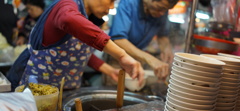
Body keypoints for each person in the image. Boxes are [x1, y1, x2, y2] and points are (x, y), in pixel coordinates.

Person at [7, 0, 144, 91]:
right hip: (36, 90)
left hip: (65, 91)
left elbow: (75, 53)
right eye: (111, 0)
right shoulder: (66, 5)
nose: (112, 7)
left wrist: (109, 70)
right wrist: (121, 54)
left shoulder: (90, 17)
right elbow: (68, 19)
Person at [109, 0, 179, 80]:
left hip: (139, 59)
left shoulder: (161, 12)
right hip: (117, 59)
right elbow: (119, 40)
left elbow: (162, 35)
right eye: (160, 8)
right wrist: (151, 59)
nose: (162, 13)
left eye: (166, 10)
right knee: (117, 88)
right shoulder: (129, 3)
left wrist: (167, 49)